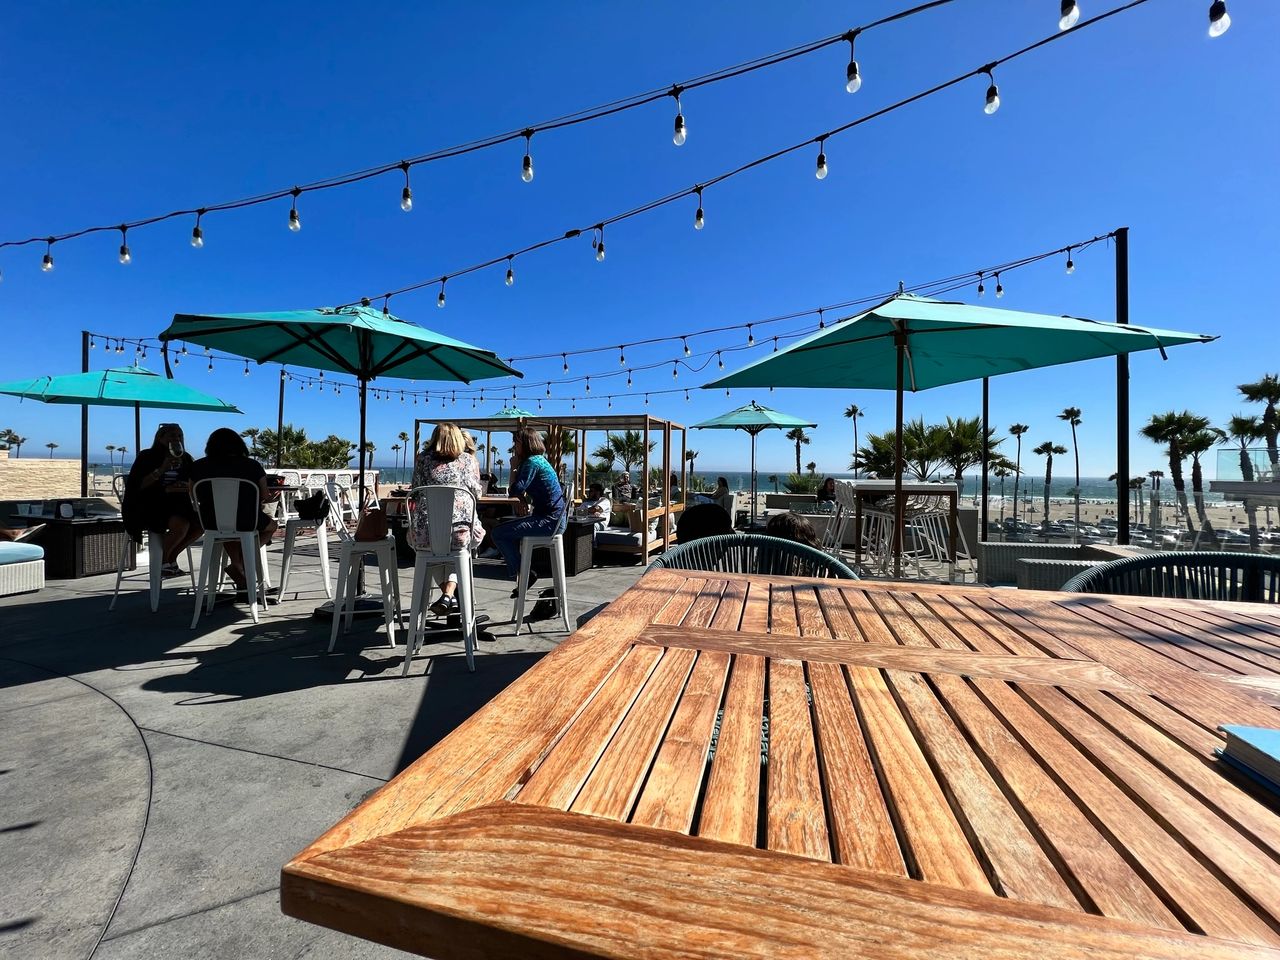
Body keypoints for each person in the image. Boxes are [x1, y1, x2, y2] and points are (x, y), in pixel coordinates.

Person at [409, 423, 485, 616]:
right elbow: (477, 493)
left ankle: (447, 595)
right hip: (460, 534)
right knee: (458, 547)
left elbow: (415, 492)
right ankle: (449, 594)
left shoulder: (422, 460)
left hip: (424, 536)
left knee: (433, 550)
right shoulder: (468, 460)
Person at [190, 427, 279, 591]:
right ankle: (242, 561)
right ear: (239, 445)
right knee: (271, 527)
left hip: (211, 521)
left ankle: (237, 565)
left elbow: (193, 494)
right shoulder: (252, 465)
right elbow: (265, 495)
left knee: (227, 528)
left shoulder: (198, 466)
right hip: (246, 519)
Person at [491, 427, 566, 593]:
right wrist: (522, 498)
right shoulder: (540, 460)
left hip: (549, 522)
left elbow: (514, 489)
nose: (514, 447)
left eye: (516, 442)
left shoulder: (531, 462)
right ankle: (523, 573)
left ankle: (524, 573)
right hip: (554, 520)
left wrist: (513, 467)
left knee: (498, 533)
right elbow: (520, 491)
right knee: (507, 531)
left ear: (525, 443)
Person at [123, 423, 202, 577]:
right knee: (181, 525)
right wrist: (161, 470)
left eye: (179, 436)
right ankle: (163, 560)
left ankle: (170, 557)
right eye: (172, 435)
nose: (176, 439)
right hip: (151, 503)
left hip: (179, 502)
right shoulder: (146, 456)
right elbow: (137, 485)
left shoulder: (185, 458)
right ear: (160, 438)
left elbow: (194, 480)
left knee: (201, 524)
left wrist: (185, 485)